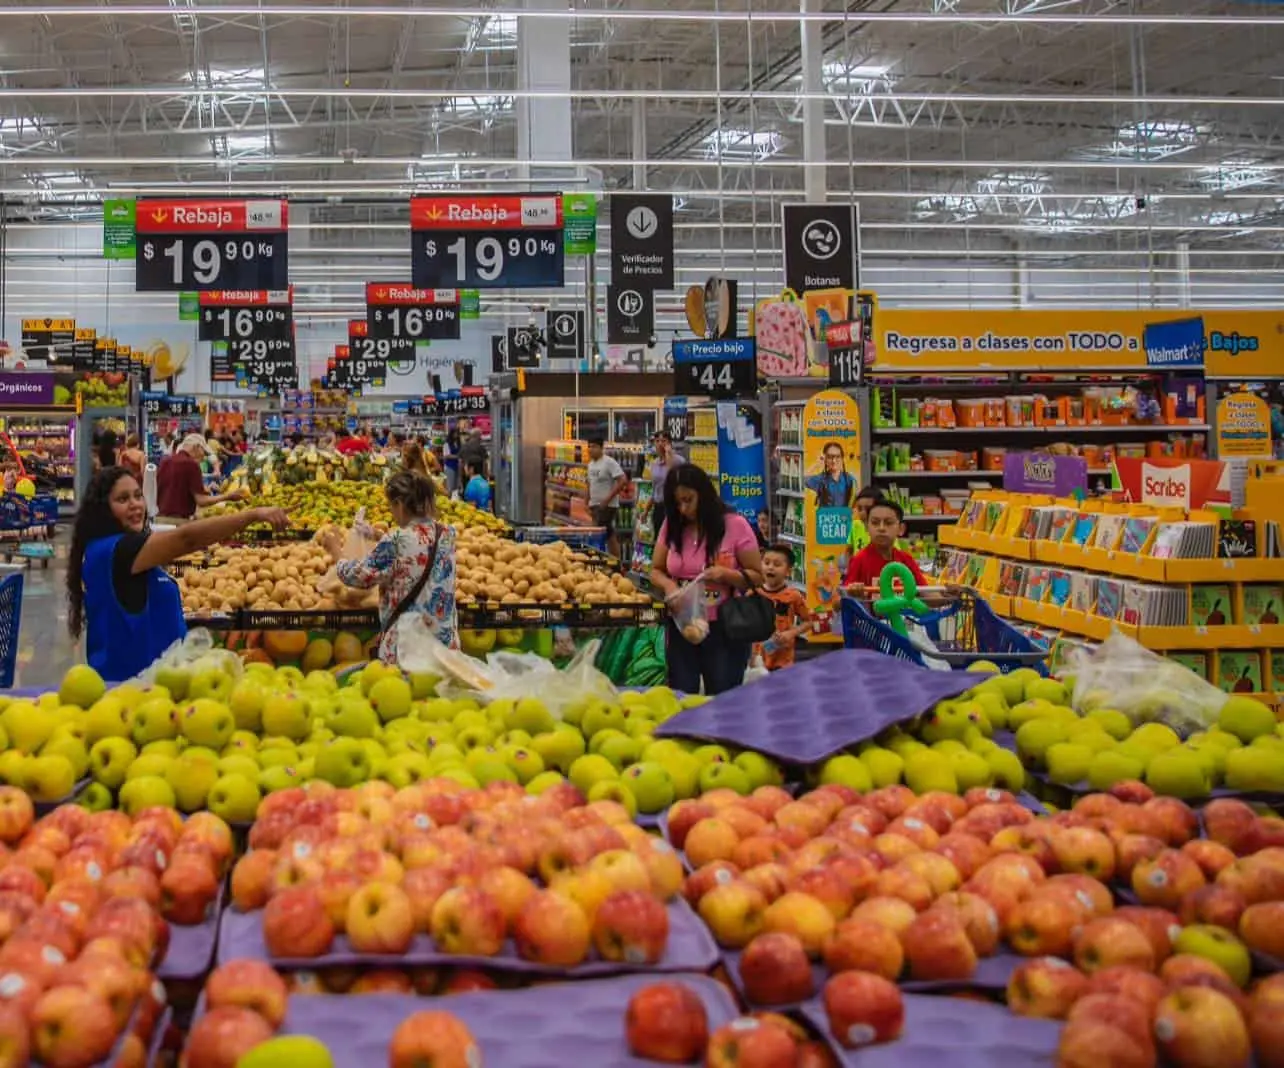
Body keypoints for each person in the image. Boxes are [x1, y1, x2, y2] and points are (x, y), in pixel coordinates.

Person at [67, 465, 288, 682]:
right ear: (103, 510)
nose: (135, 505)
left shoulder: (116, 549)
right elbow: (186, 540)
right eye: (122, 499)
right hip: (133, 689)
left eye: (137, 496)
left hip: (158, 684)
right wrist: (252, 515)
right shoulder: (115, 550)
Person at [650, 464, 763, 695]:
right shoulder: (672, 526)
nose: (683, 509)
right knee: (682, 696)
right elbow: (655, 570)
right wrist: (670, 586)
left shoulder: (735, 525)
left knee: (722, 699)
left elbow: (757, 576)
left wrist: (725, 574)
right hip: (682, 626)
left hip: (724, 628)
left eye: (688, 500)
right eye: (677, 503)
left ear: (703, 493)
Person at [325, 471, 458, 666]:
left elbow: (359, 577)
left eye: (391, 506)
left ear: (400, 504)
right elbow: (417, 544)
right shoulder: (448, 534)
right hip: (444, 645)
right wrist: (375, 534)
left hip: (407, 648)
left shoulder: (395, 541)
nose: (391, 512)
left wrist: (336, 551)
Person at [155, 434, 243, 523]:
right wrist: (228, 496)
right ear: (196, 447)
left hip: (159, 520)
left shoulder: (165, 461)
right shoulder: (191, 464)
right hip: (178, 522)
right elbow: (201, 500)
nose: (203, 457)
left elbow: (172, 488)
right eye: (203, 452)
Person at [844, 498, 927, 589]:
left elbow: (927, 593)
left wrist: (944, 592)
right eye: (875, 523)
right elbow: (845, 598)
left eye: (888, 523)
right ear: (867, 527)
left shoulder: (906, 560)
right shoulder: (859, 560)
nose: (881, 528)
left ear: (901, 529)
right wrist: (854, 593)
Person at [753, 544, 812, 671]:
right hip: (757, 659)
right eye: (766, 562)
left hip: (783, 661)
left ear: (788, 571)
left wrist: (791, 633)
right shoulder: (753, 593)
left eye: (777, 564)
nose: (770, 567)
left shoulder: (794, 595)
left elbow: (809, 621)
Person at [587, 438, 627, 559]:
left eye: (594, 446)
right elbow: (589, 483)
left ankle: (602, 559)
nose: (590, 449)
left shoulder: (609, 462)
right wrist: (586, 501)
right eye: (589, 446)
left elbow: (622, 480)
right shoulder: (590, 465)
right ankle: (613, 560)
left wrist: (607, 499)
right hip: (594, 504)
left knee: (600, 531)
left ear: (601, 448)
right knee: (607, 533)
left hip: (608, 505)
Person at [648, 431, 685, 536]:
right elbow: (655, 488)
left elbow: (671, 477)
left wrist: (668, 455)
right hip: (658, 507)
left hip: (672, 506)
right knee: (658, 538)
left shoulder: (679, 461)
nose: (660, 444)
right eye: (657, 441)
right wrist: (646, 510)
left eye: (664, 441)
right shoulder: (655, 463)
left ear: (670, 444)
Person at [805, 440, 857, 509]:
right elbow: (802, 479)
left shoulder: (850, 480)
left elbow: (854, 503)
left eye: (837, 456)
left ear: (842, 458)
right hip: (825, 518)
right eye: (830, 457)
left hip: (844, 518)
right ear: (825, 459)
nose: (834, 461)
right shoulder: (821, 479)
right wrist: (816, 464)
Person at [849, 485, 882, 554]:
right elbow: (849, 551)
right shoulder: (854, 526)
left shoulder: (885, 530)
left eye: (868, 508)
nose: (863, 513)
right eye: (860, 508)